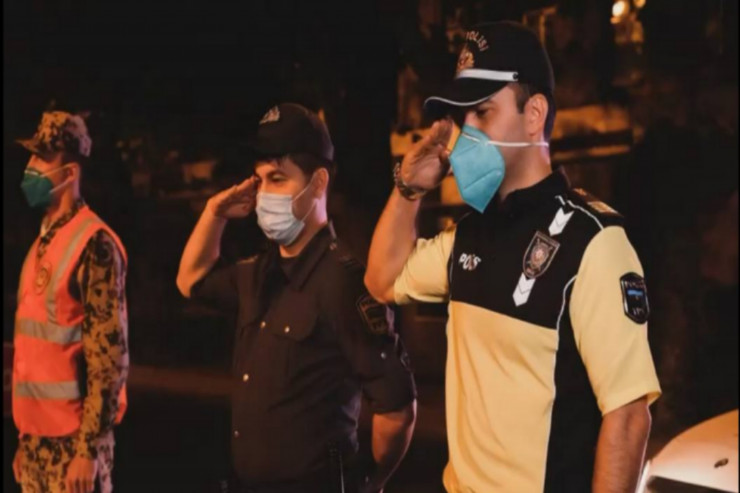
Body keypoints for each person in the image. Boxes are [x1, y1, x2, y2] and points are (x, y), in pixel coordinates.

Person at [364, 21, 661, 492]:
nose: (467, 134)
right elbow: (382, 280)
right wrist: (408, 189)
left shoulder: (593, 242)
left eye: (483, 113)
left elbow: (627, 416)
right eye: (464, 119)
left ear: (534, 114)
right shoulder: (468, 235)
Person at [176, 103, 417, 493]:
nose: (262, 194)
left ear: (318, 183)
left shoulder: (343, 281)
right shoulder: (258, 273)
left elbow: (396, 408)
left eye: (277, 179)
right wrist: (214, 213)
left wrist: (371, 483)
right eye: (258, 181)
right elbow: (190, 280)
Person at [11, 111, 129, 493]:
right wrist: (26, 440)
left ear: (70, 173)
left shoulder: (94, 244)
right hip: (37, 446)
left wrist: (88, 449)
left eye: (43, 158)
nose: (31, 167)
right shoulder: (40, 246)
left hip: (74, 451)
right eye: (32, 156)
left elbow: (108, 359)